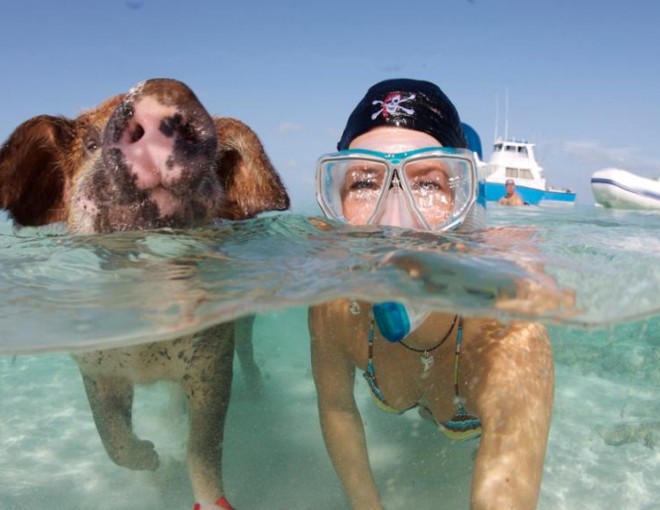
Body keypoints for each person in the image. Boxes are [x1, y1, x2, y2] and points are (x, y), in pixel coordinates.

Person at [309, 79, 554, 510]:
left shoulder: (510, 328)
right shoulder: (333, 305)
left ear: (463, 199)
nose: (396, 223)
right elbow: (337, 408)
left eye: (428, 183)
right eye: (365, 183)